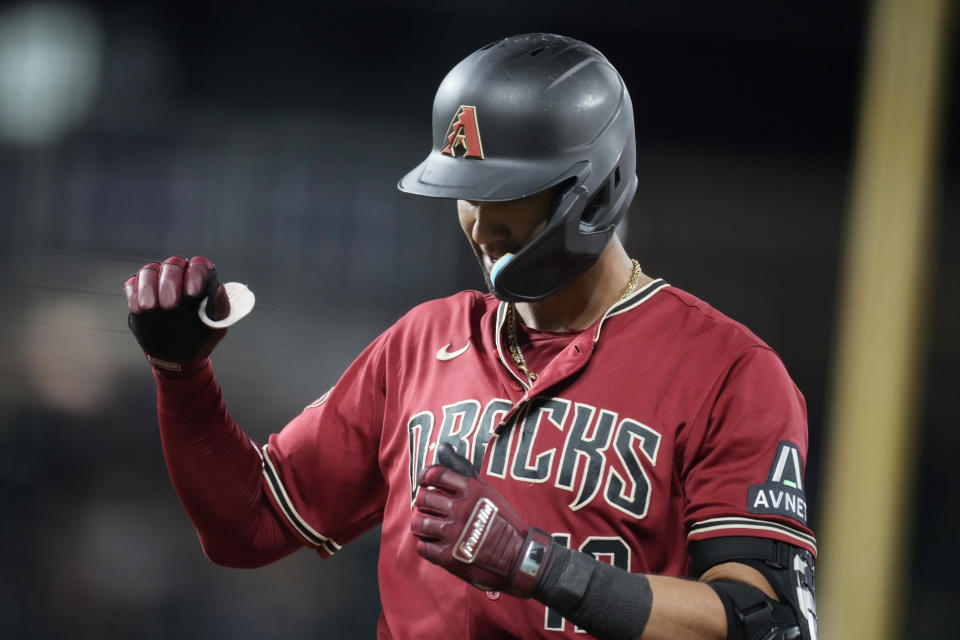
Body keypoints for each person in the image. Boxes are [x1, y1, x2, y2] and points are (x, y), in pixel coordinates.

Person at [124, 34, 817, 640]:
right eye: (466, 191)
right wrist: (181, 377)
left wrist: (538, 565)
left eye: (504, 192)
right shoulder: (423, 343)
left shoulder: (728, 372)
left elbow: (768, 623)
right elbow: (251, 524)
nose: (480, 226)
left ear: (592, 188)